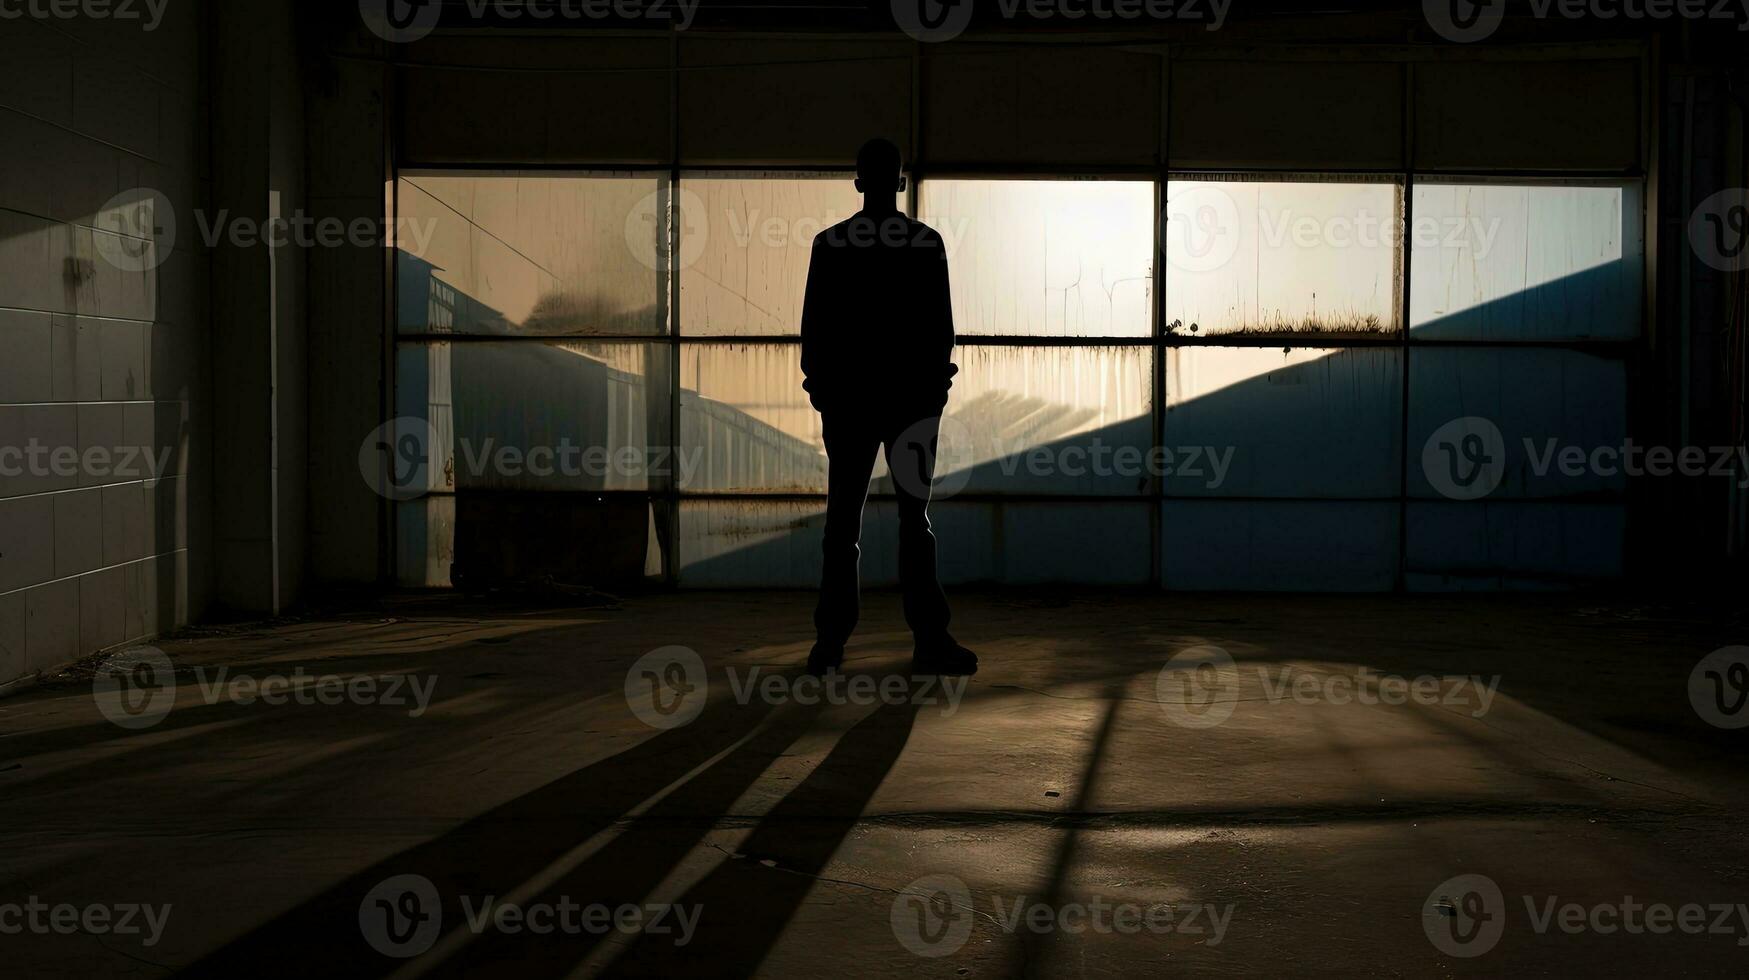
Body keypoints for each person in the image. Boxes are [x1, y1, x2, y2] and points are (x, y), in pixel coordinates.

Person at [799, 138, 979, 678]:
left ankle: (830, 643)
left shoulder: (830, 245)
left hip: (852, 403)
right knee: (913, 519)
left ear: (857, 181)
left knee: (842, 522)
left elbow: (816, 332)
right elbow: (939, 331)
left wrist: (825, 392)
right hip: (909, 403)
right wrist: (932, 394)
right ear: (900, 182)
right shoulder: (925, 244)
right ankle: (929, 639)